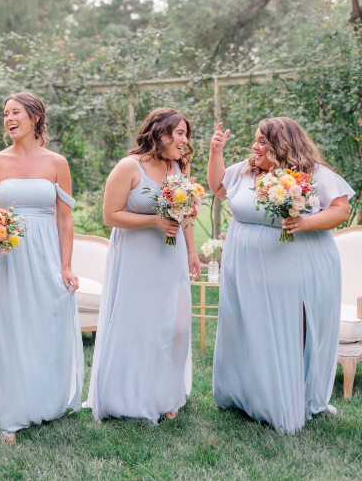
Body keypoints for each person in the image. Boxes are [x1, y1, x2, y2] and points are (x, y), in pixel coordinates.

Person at [208, 117, 354, 433]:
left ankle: (290, 397)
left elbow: (340, 210)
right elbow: (219, 187)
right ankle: (249, 394)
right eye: (255, 140)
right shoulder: (247, 170)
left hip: (295, 263)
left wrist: (304, 223)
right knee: (250, 326)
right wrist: (215, 152)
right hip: (245, 265)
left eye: (262, 141)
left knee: (287, 327)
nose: (254, 146)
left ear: (281, 144)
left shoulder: (313, 173)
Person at [0, 92, 83, 444]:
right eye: (5, 112)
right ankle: (11, 412)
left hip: (45, 253)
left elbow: (65, 220)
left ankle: (45, 401)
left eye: (16, 112)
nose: (9, 118)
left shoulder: (57, 163)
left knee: (45, 325)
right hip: (6, 257)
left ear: (35, 117)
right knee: (11, 328)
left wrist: (66, 266)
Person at [84, 107, 198, 423]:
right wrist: (155, 221)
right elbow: (110, 215)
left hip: (171, 258)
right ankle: (129, 398)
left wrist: (191, 252)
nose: (184, 140)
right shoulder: (129, 167)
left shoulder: (180, 167)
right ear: (160, 133)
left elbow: (185, 212)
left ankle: (166, 396)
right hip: (136, 259)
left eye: (186, 134)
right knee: (138, 326)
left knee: (173, 328)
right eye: (179, 133)